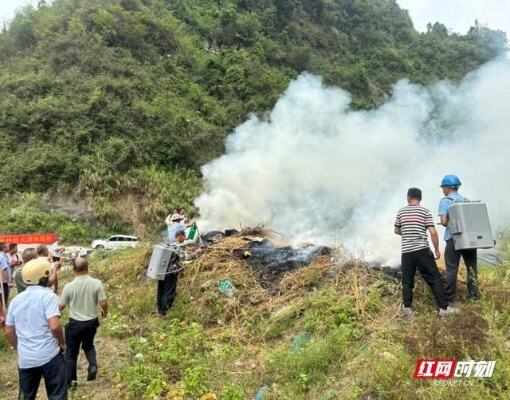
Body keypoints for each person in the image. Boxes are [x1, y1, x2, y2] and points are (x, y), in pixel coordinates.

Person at [4, 258, 68, 400]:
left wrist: (19, 346)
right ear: (45, 276)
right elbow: (55, 325)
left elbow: (8, 330)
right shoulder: (48, 296)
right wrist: (62, 343)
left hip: (26, 359)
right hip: (49, 355)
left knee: (27, 396)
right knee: (57, 395)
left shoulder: (16, 300)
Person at [394, 188, 457, 317]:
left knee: (407, 281)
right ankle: (443, 309)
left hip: (407, 252)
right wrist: (437, 250)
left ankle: (407, 308)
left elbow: (396, 230)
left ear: (408, 197)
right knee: (434, 278)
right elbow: (433, 232)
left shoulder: (401, 212)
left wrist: (407, 233)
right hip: (422, 250)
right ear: (420, 199)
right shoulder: (424, 211)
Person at [59, 257, 108, 388]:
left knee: (71, 354)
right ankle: (92, 364)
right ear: (87, 268)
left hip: (75, 324)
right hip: (91, 322)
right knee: (88, 345)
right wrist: (104, 312)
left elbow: (60, 306)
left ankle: (72, 383)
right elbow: (103, 302)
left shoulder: (68, 287)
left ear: (73, 270)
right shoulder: (96, 283)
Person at [438, 174, 480, 301]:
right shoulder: (466, 200)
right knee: (471, 267)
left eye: (443, 187)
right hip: (469, 239)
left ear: (447, 188)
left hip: (453, 239)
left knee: (451, 268)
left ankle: (450, 296)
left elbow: (444, 221)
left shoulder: (445, 201)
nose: (442, 190)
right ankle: (474, 295)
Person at [157, 230, 204, 316]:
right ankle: (165, 313)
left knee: (161, 291)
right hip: (171, 272)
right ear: (180, 236)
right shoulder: (177, 246)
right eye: (184, 236)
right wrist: (197, 252)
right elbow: (186, 257)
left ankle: (160, 310)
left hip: (161, 271)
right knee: (169, 292)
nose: (185, 238)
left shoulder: (169, 244)